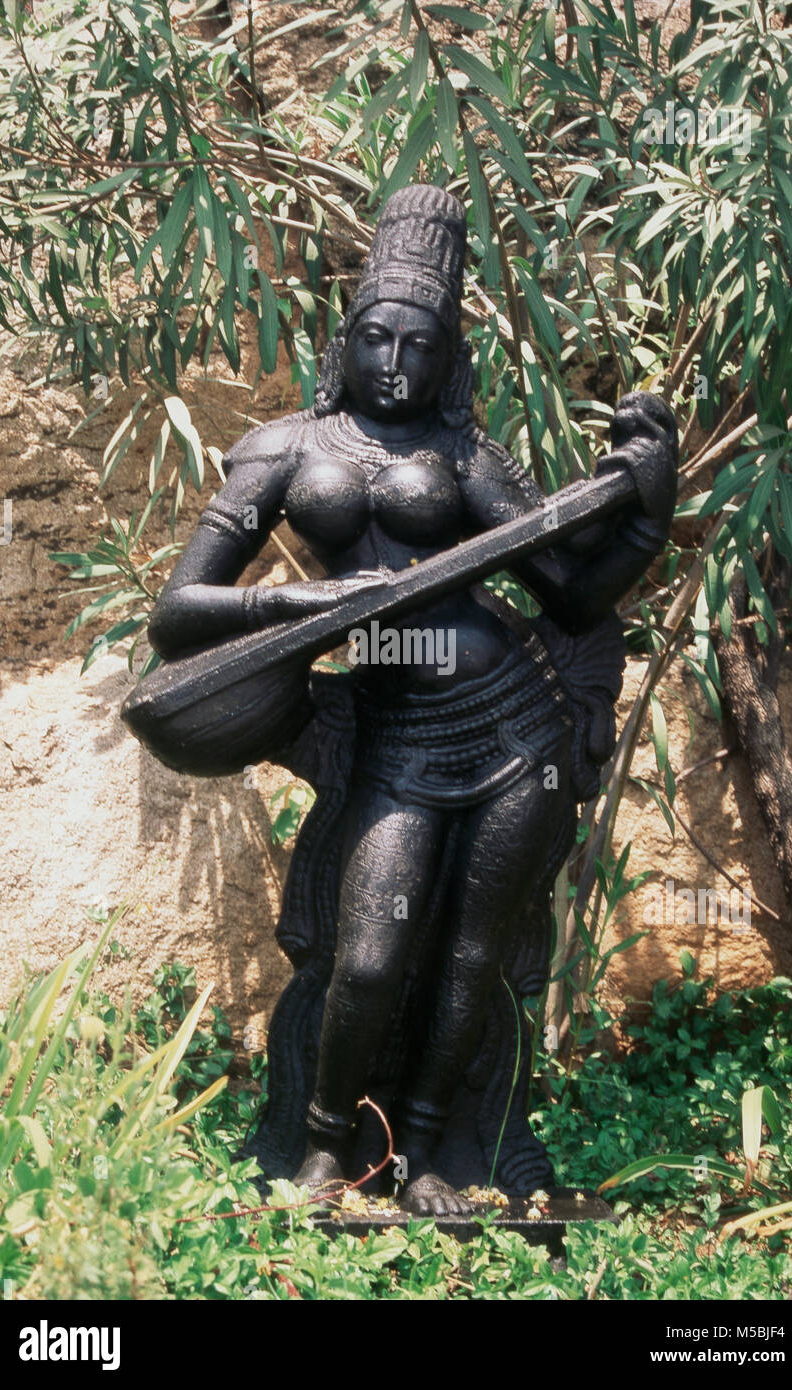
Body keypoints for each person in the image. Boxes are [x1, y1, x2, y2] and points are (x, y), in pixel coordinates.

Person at [147, 185, 677, 1215]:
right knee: (372, 954)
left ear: (447, 358)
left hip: (514, 730)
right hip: (395, 740)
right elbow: (177, 610)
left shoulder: (469, 458)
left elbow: (566, 593)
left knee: (470, 956)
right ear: (345, 343)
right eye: (375, 339)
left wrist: (642, 517)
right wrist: (311, 598)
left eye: (419, 345)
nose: (394, 363)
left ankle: (434, 1153)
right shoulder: (283, 448)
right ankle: (321, 1152)